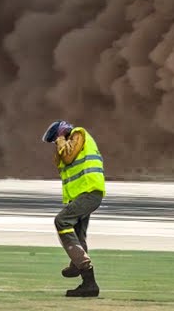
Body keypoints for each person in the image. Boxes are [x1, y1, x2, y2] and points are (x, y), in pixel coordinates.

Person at [43, 120, 105, 298]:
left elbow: (68, 156)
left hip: (90, 192)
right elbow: (63, 161)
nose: (56, 143)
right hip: (81, 196)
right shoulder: (68, 145)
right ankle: (88, 283)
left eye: (55, 139)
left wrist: (61, 138)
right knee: (78, 234)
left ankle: (81, 265)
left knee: (61, 221)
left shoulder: (79, 133)